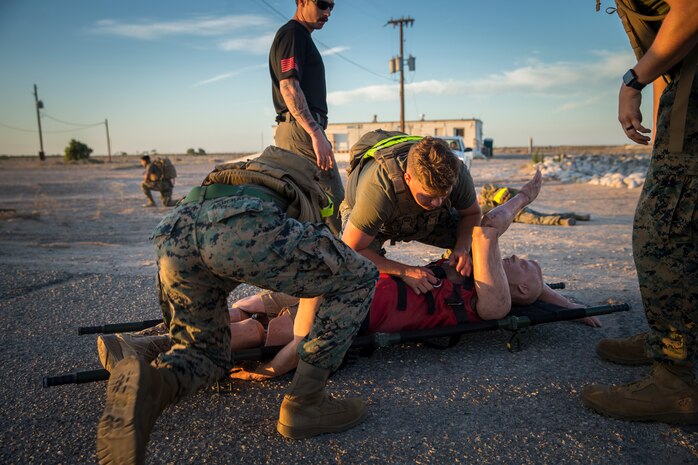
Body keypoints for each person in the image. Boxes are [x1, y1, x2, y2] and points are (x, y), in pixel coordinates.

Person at [96, 171, 602, 382]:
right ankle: (149, 346)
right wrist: (570, 307)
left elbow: (489, 233)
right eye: (523, 260)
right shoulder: (486, 284)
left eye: (524, 269)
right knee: (255, 309)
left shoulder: (493, 304)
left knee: (258, 330)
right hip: (352, 283)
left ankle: (150, 350)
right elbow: (542, 291)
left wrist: (522, 199)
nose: (518, 261)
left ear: (521, 291)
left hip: (357, 303)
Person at [96, 145, 379, 464]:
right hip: (240, 225)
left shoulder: (243, 169)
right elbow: (322, 281)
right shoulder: (311, 185)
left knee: (204, 351)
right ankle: (305, 404)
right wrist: (293, 351)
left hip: (175, 228)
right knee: (359, 274)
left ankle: (153, 386)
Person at [581, 0, 698, 424]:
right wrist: (664, 134)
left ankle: (675, 380)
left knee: (661, 236)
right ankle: (673, 342)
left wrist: (632, 81)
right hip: (684, 107)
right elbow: (674, 55)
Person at [341, 132, 482, 296]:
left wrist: (462, 248)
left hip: (428, 221)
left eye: (444, 196)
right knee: (352, 274)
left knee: (479, 247)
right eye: (428, 196)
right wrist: (404, 271)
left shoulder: (456, 174)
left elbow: (472, 214)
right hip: (378, 224)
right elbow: (351, 250)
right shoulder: (379, 188)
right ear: (407, 178)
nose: (437, 203)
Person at [269, 0, 344, 235]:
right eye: (322, 4)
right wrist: (314, 132)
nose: (327, 12)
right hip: (301, 130)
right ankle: (338, 263)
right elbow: (289, 87)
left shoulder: (300, 37)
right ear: (301, 1)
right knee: (332, 200)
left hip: (301, 129)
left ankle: (321, 261)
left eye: (332, 6)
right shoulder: (293, 34)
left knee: (312, 205)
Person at [479, 183, 591, 226]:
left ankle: (563, 221)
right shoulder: (498, 190)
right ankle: (574, 215)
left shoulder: (487, 204)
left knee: (539, 219)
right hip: (521, 206)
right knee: (543, 215)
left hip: (518, 214)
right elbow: (518, 192)